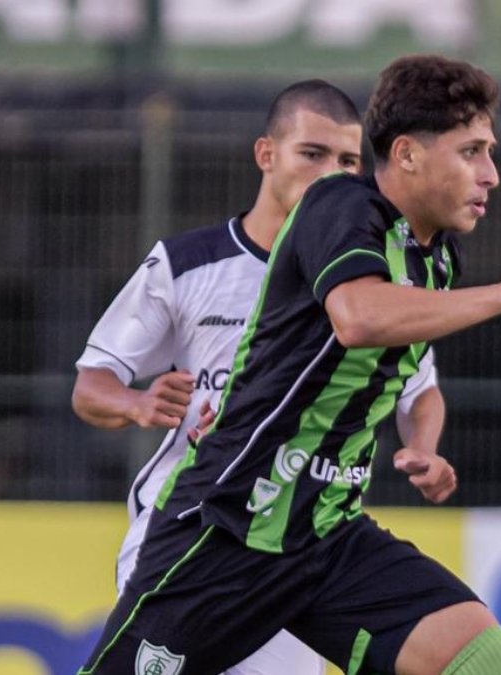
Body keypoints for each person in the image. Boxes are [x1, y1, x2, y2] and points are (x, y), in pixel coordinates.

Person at [77, 54, 501, 675]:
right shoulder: (339, 207)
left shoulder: (435, 258)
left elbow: (412, 378)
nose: (492, 174)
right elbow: (357, 317)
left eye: (489, 151)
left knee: (486, 662)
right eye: (472, 152)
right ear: (405, 154)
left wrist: (423, 444)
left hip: (327, 536)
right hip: (231, 526)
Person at [73, 79, 454, 675]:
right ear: (266, 154)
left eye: (349, 161)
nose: (332, 174)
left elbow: (419, 387)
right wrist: (137, 404)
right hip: (188, 531)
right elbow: (90, 384)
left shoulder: (371, 282)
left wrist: (423, 448)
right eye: (313, 154)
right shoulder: (188, 264)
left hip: (292, 543)